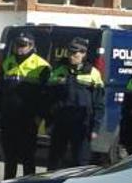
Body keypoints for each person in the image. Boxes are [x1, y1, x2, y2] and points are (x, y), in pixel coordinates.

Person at [0, 31, 51, 179]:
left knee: (28, 156)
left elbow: (46, 96)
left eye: (24, 45)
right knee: (9, 156)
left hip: (28, 118)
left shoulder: (42, 66)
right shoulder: (8, 62)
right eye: (17, 44)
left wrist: (40, 116)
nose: (20, 47)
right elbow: (0, 89)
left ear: (32, 46)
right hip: (9, 117)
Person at [45, 37, 105, 170]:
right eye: (70, 52)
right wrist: (49, 122)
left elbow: (99, 104)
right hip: (61, 123)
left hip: (82, 124)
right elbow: (49, 99)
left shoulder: (93, 73)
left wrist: (95, 128)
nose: (71, 56)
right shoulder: (58, 70)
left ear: (83, 53)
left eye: (75, 53)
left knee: (80, 162)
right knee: (54, 161)